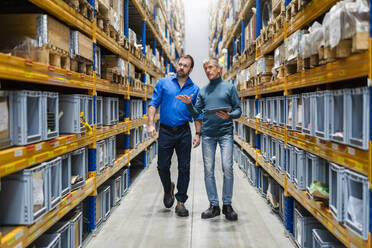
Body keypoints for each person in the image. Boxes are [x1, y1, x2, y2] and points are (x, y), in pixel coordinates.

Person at [176, 58, 241, 221]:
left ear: (219, 69)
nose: (208, 71)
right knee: (208, 170)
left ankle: (227, 204)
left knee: (227, 167)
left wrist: (230, 115)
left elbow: (239, 110)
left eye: (211, 67)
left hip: (226, 134)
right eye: (205, 68)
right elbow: (196, 112)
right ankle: (214, 206)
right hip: (208, 135)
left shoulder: (229, 88)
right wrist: (189, 104)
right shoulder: (203, 91)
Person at [147, 55, 202, 217]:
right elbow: (153, 105)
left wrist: (198, 133)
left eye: (185, 66)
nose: (181, 67)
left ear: (190, 69)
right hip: (165, 130)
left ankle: (181, 202)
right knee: (162, 166)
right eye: (180, 64)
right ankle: (168, 188)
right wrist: (150, 124)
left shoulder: (195, 89)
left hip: (184, 131)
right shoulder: (164, 83)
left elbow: (197, 114)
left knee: (184, 167)